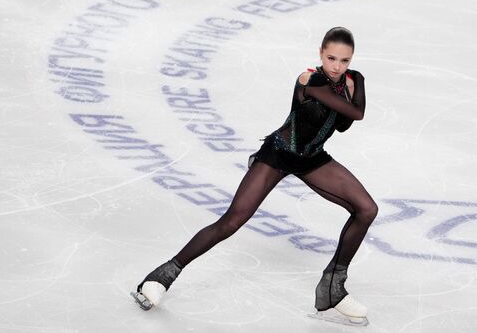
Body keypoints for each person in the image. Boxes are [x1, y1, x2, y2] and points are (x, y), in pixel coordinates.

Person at [132, 27, 378, 326]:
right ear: (320, 53)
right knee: (232, 221)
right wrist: (359, 81)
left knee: (367, 209)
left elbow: (341, 126)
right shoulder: (310, 81)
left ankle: (332, 288)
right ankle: (160, 277)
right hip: (278, 154)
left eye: (345, 61)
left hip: (312, 159)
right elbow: (356, 114)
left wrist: (353, 87)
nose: (337, 66)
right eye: (331, 58)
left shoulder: (343, 84)